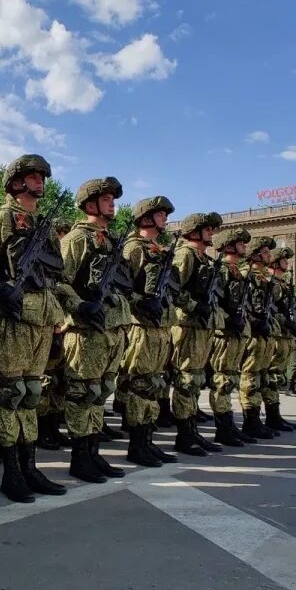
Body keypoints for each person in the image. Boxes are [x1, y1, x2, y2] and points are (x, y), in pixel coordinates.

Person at [0, 154, 68, 501]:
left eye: (42, 176)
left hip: (42, 319)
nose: (41, 181)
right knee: (9, 395)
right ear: (16, 181)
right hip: (13, 319)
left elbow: (55, 277)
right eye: (33, 176)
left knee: (31, 395)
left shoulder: (42, 225)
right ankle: (11, 473)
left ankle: (30, 467)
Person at [58, 178, 131, 482]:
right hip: (87, 329)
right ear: (90, 205)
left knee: (101, 393)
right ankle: (80, 458)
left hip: (112, 327)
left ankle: (93, 453)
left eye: (113, 198)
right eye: (106, 198)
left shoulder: (112, 240)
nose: (112, 202)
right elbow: (59, 280)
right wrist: (78, 306)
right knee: (82, 393)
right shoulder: (76, 239)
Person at [117, 197, 181, 465]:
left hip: (161, 326)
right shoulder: (133, 248)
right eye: (161, 214)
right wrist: (140, 302)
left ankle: (147, 440)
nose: (165, 218)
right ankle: (136, 445)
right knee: (140, 385)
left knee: (154, 385)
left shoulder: (159, 248)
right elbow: (120, 286)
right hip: (141, 326)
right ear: (146, 218)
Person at [170, 212, 225, 455]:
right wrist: (193, 306)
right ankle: (184, 436)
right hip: (187, 325)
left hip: (201, 325)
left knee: (196, 380)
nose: (212, 233)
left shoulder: (202, 258)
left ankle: (192, 431)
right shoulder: (185, 255)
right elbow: (173, 288)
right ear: (195, 232)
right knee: (187, 381)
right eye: (208, 229)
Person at [207, 226, 255, 447]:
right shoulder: (222, 270)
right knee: (223, 380)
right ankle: (223, 429)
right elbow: (213, 302)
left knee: (231, 379)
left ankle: (229, 425)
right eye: (240, 243)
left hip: (236, 332)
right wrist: (227, 319)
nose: (244, 246)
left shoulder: (237, 271)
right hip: (224, 333)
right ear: (229, 246)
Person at [238, 236, 277, 440]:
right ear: (255, 255)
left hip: (263, 331)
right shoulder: (246, 275)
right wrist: (254, 322)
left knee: (261, 375)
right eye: (264, 252)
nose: (269, 255)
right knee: (250, 376)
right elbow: (243, 303)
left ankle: (258, 419)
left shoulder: (262, 277)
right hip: (252, 332)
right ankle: (250, 421)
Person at [262, 248, 296, 432]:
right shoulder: (270, 283)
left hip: (283, 334)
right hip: (275, 333)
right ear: (275, 263)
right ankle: (271, 416)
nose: (287, 264)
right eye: (284, 261)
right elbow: (271, 309)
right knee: (271, 374)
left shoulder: (281, 284)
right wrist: (286, 322)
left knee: (277, 375)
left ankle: (274, 414)